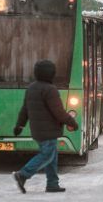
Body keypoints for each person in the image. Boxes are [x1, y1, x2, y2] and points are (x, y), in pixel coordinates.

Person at [13, 60, 79, 193]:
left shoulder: (31, 88)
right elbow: (59, 112)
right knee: (47, 155)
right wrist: (72, 123)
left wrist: (19, 125)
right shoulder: (50, 90)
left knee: (52, 156)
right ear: (51, 74)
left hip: (37, 129)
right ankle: (23, 174)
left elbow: (24, 109)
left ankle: (52, 184)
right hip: (48, 130)